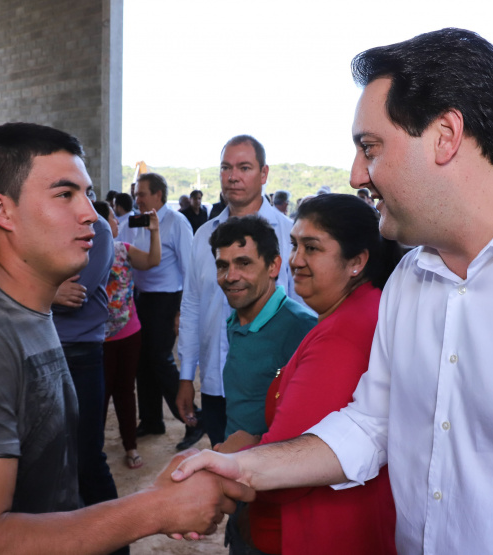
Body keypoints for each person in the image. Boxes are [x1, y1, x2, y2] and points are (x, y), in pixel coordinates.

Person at [174, 28, 493, 554]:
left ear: (446, 134)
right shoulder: (409, 280)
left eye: (370, 148)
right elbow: (372, 424)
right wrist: (242, 466)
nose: (357, 174)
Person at [0, 122, 252, 554]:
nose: (90, 213)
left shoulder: (21, 310)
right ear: (2, 211)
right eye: (64, 194)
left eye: (86, 194)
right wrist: (155, 508)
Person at [215, 197, 398, 555]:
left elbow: (292, 464)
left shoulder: (341, 335)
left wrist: (240, 454)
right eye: (296, 245)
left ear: (356, 262)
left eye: (312, 248)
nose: (297, 261)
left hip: (315, 529)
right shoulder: (359, 310)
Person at [177, 135, 302, 448]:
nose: (232, 176)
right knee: (224, 467)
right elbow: (193, 305)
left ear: (263, 174)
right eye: (226, 168)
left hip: (272, 383)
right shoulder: (204, 235)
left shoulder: (290, 235)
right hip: (215, 382)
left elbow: (305, 311)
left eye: (244, 167)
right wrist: (185, 376)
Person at [50, 184, 121, 531]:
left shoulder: (99, 229)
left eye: (84, 190)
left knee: (87, 458)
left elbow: (77, 293)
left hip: (81, 355)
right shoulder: (40, 223)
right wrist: (51, 290)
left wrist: (26, 285)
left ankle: (113, 543)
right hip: (35, 350)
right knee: (44, 458)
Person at [116, 172, 196, 447]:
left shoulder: (176, 222)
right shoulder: (132, 222)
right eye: (136, 194)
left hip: (167, 299)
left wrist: (181, 311)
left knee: (161, 360)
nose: (137, 198)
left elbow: (190, 270)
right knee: (141, 362)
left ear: (158, 195)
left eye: (142, 194)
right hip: (139, 300)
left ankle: (192, 421)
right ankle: (152, 420)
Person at [93, 200, 161, 470]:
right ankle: (92, 450)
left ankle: (130, 446)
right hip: (97, 337)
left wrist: (155, 231)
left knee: (124, 390)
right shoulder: (82, 254)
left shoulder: (124, 250)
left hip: (129, 333)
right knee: (100, 394)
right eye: (112, 217)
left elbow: (153, 260)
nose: (117, 222)